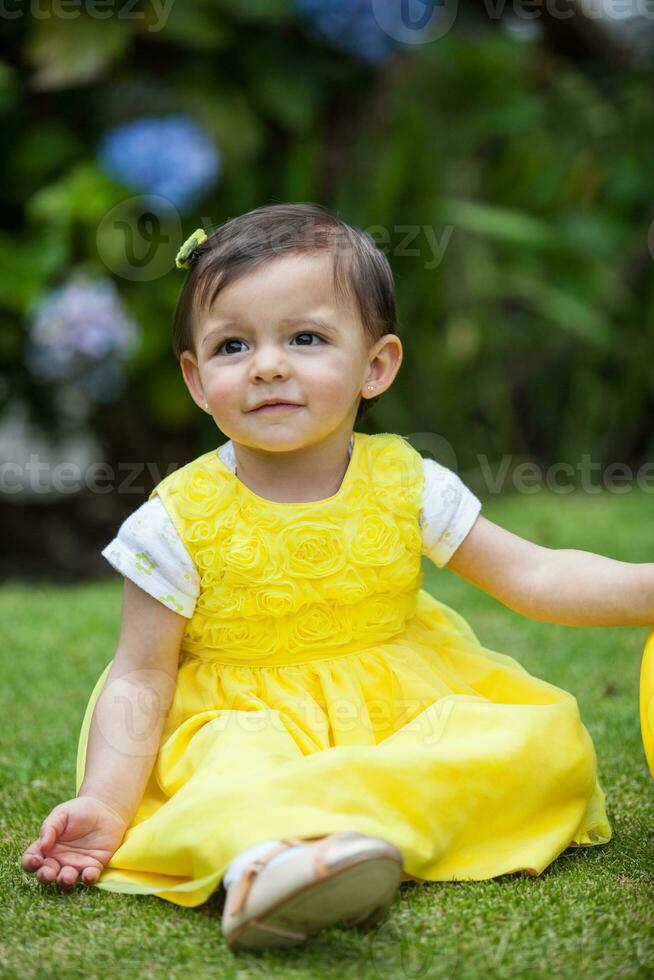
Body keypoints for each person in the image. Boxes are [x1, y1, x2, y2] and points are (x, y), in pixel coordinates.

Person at [21, 202, 650, 953]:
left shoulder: (406, 482)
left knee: (538, 746)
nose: (267, 365)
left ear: (376, 365)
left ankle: (344, 841)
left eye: (307, 338)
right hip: (241, 723)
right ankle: (271, 863)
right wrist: (104, 801)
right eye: (232, 346)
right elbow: (139, 678)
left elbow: (536, 575)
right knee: (238, 777)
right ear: (195, 379)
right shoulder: (176, 521)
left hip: (393, 709)